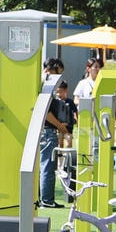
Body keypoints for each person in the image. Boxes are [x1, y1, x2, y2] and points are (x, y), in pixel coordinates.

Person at [38, 58, 68, 208]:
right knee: (48, 167)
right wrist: (60, 126)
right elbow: (46, 112)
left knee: (41, 167)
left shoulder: (38, 81)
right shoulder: (46, 84)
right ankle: (47, 200)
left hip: (41, 130)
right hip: (48, 130)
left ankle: (41, 198)